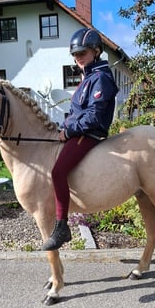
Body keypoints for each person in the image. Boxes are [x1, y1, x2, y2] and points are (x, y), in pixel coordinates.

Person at [42, 28, 118, 251]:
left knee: (57, 172)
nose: (78, 58)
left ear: (96, 51)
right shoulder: (89, 77)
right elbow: (78, 113)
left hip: (90, 134)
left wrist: (70, 130)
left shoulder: (101, 78)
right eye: (75, 55)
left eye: (82, 53)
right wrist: (64, 126)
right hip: (80, 131)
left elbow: (93, 116)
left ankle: (62, 227)